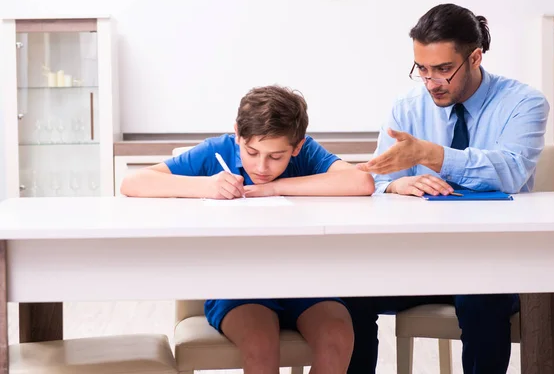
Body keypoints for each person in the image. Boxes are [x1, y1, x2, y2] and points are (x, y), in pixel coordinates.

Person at [344, 3, 549, 374]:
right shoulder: (406, 108)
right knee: (348, 295)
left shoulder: (524, 103)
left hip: (492, 258)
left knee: (481, 299)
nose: (431, 82)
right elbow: (373, 179)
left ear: (474, 57)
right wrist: (395, 186)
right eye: (421, 69)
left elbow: (512, 172)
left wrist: (433, 155)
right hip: (419, 258)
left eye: (442, 70)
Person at [121, 84, 375, 374]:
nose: (262, 166)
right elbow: (133, 182)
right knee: (260, 346)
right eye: (252, 152)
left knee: (338, 337)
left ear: (297, 146)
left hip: (303, 282)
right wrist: (205, 186)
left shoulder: (306, 154)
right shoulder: (216, 151)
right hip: (238, 287)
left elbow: (361, 182)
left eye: (276, 157)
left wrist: (276, 187)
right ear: (238, 135)